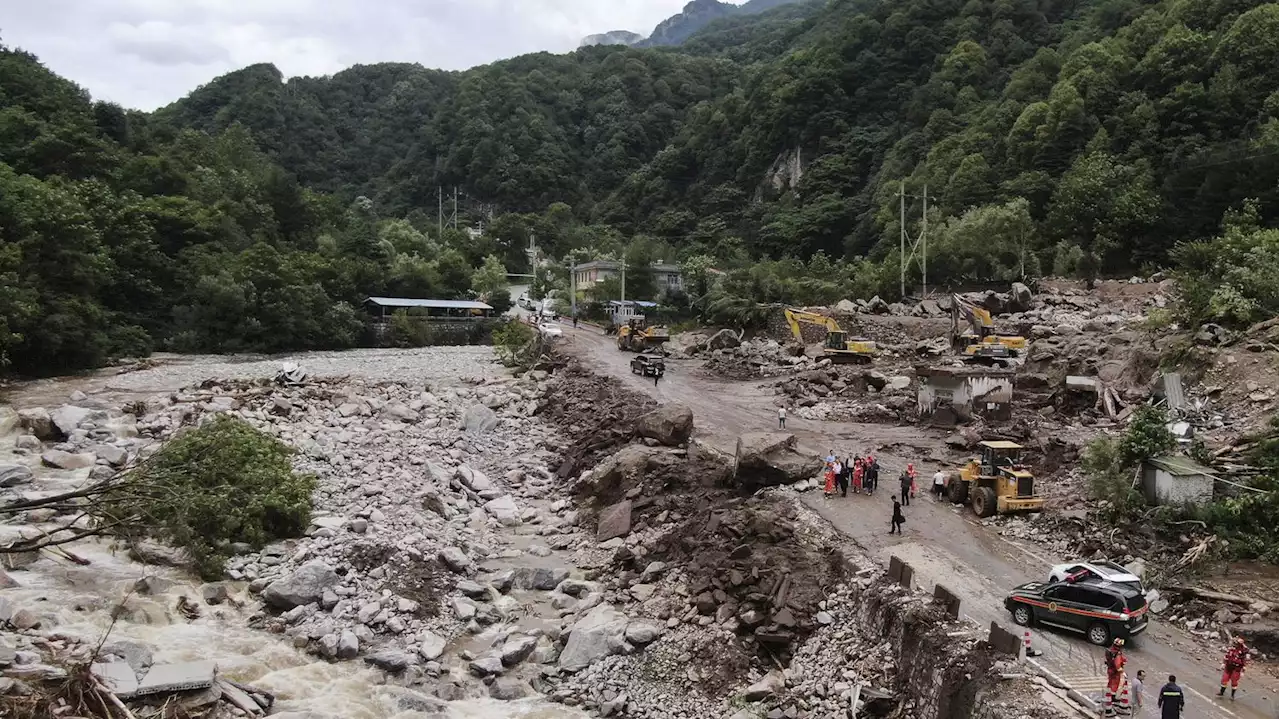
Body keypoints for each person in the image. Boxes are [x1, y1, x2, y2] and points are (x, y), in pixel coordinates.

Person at [1105, 639, 1127, 717]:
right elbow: (1117, 665)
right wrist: (1122, 672)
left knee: (1110, 683)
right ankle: (1112, 697)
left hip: (1110, 670)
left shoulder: (1111, 651)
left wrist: (1123, 660)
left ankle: (1109, 695)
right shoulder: (1117, 654)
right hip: (1115, 672)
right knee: (1114, 685)